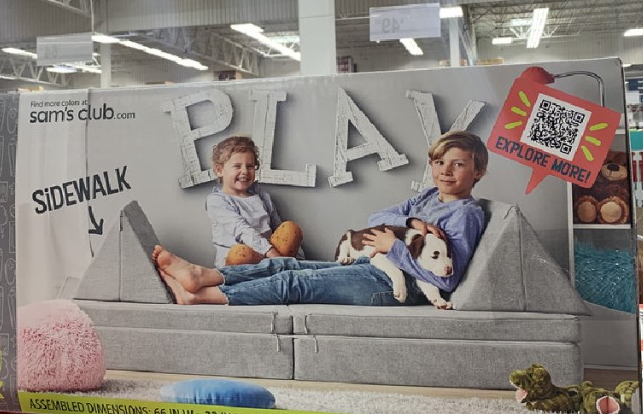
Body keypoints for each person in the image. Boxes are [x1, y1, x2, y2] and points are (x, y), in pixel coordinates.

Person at [153, 131, 487, 307]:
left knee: (295, 283)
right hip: (374, 266)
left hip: (397, 286)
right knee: (283, 265)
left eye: (457, 164)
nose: (445, 170)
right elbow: (379, 216)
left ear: (478, 171)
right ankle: (203, 275)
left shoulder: (465, 214)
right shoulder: (429, 197)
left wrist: (393, 246)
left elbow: (445, 281)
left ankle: (199, 296)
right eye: (440, 162)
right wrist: (412, 223)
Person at [206, 135, 302, 267]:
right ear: (219, 170)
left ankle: (288, 267)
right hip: (245, 260)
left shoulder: (261, 195)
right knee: (239, 252)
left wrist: (295, 258)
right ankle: (274, 267)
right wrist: (271, 253)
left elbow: (277, 227)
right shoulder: (217, 201)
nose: (245, 171)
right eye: (237, 166)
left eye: (250, 166)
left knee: (290, 228)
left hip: (272, 257)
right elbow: (242, 230)